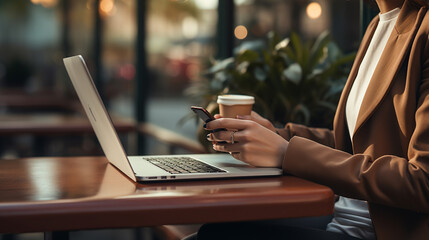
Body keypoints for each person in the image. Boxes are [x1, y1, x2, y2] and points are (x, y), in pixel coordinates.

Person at [200, 0, 429, 239]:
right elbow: (354, 147)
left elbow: (423, 181)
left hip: (378, 232)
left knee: (216, 234)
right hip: (341, 218)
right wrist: (277, 136)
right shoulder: (378, 25)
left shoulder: (423, 30)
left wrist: (287, 153)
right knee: (214, 229)